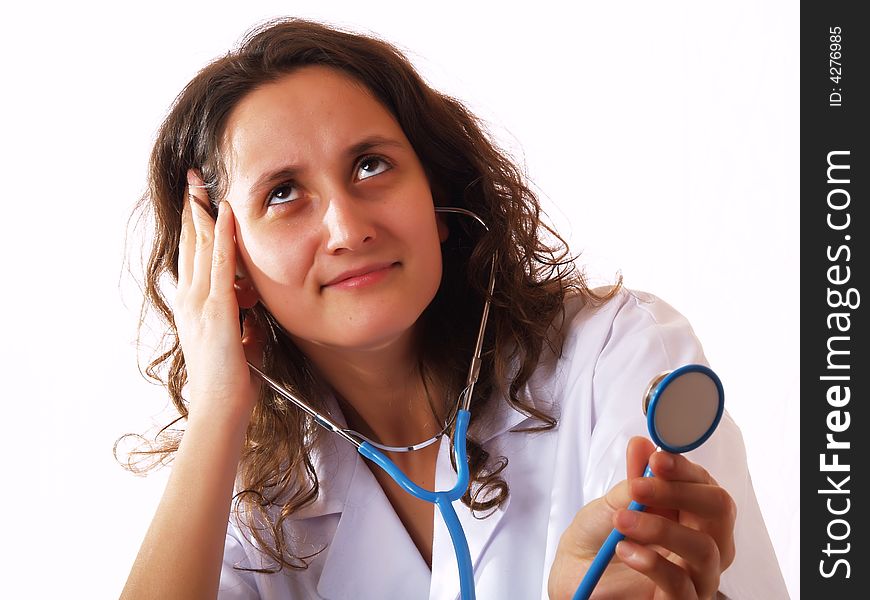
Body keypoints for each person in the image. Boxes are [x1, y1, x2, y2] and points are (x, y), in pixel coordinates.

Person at [118, 18, 788, 600]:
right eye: (285, 192)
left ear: (437, 201)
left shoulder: (616, 353)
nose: (349, 228)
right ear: (229, 266)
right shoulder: (253, 503)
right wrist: (214, 405)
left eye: (372, 166)